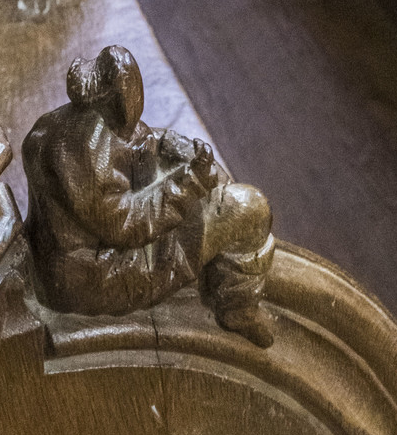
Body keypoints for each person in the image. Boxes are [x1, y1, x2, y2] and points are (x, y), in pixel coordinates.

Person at [22, 44, 275, 346]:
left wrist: (169, 144)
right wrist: (189, 184)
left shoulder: (67, 121)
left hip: (72, 264)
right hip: (98, 274)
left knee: (218, 182)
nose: (129, 127)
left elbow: (135, 140)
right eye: (124, 119)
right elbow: (126, 223)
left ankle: (221, 273)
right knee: (250, 210)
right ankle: (237, 308)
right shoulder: (82, 149)